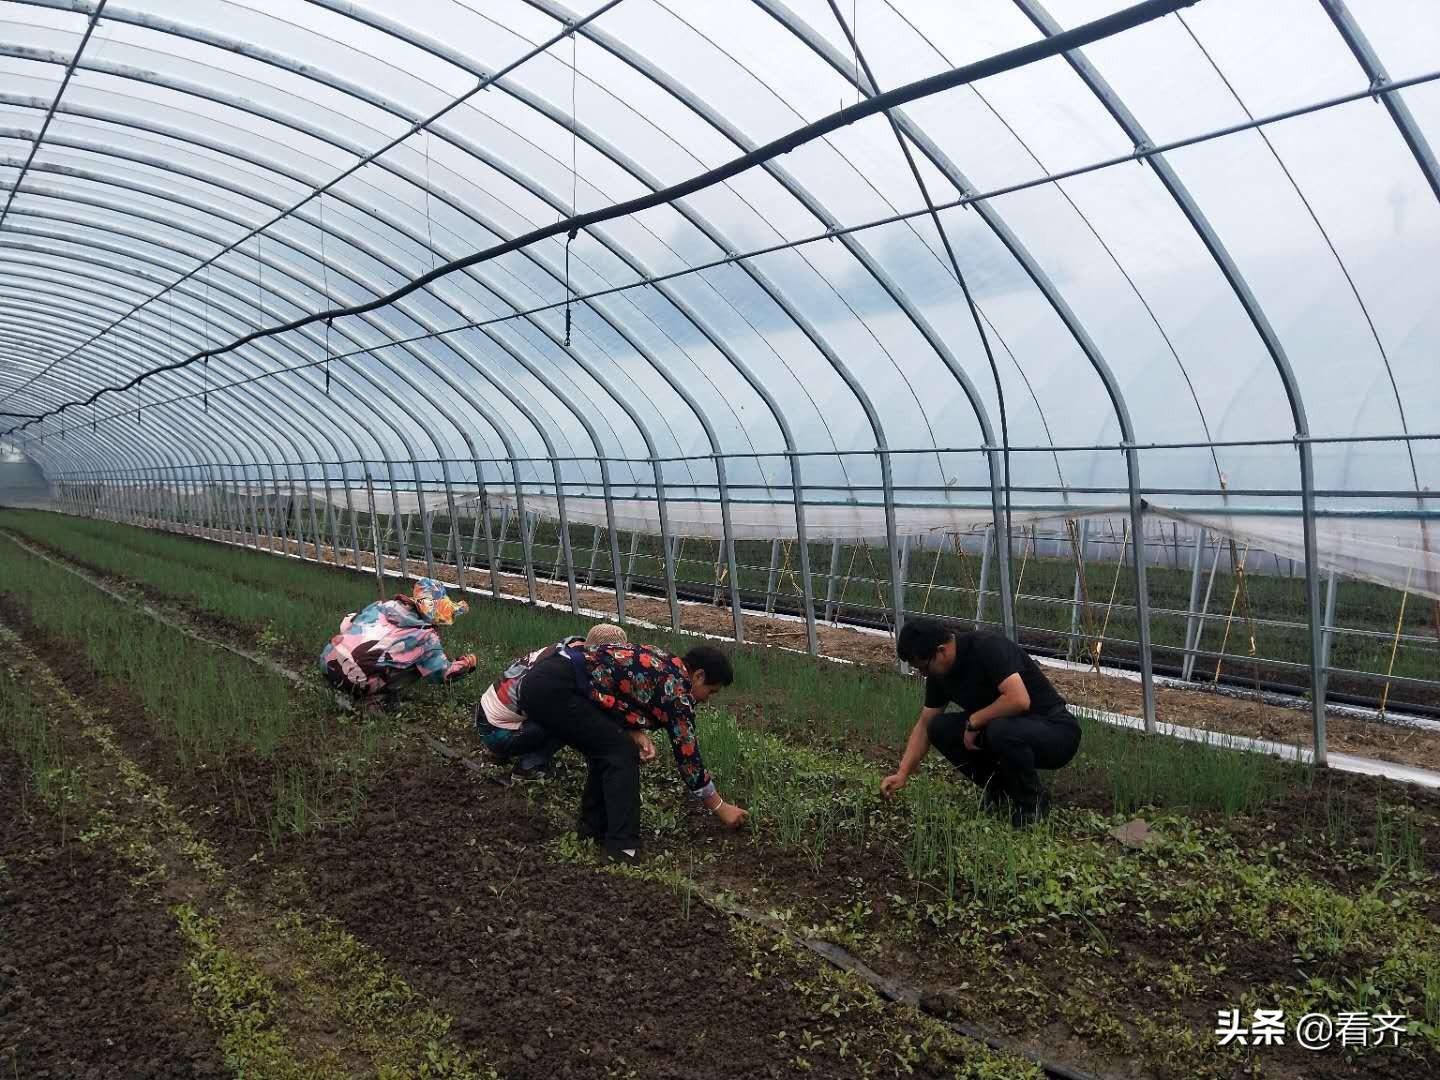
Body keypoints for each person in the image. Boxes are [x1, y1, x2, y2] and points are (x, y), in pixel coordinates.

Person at [520, 640, 748, 862]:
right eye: (711, 692)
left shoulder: (665, 663)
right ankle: (622, 848)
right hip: (556, 688)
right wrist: (720, 807)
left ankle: (592, 830)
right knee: (619, 753)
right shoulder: (677, 690)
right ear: (698, 676)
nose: (707, 700)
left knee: (610, 748)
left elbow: (610, 691)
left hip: (549, 680)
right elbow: (688, 758)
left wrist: (632, 731)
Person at [881, 618, 1081, 827]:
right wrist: (902, 773)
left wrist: (975, 720)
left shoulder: (987, 646)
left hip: (1056, 731)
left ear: (941, 651)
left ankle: (1033, 804)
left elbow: (1018, 700)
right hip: (1009, 730)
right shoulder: (939, 675)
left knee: (999, 729)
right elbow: (924, 726)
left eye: (923, 667)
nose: (923, 674)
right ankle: (1000, 791)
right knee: (939, 728)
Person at [475, 622, 630, 779]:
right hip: (496, 731)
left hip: (488, 717)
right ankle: (529, 767)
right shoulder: (573, 670)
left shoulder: (569, 647)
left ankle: (498, 753)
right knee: (572, 720)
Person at [320, 577, 476, 709]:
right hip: (356, 680)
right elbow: (443, 674)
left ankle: (343, 683)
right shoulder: (427, 637)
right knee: (418, 665)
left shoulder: (384, 605)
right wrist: (465, 665)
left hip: (327, 660)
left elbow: (346, 624)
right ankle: (376, 698)